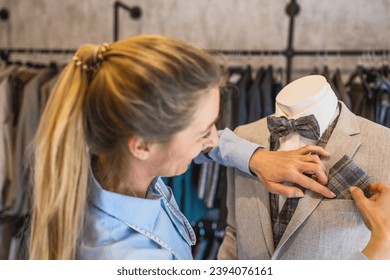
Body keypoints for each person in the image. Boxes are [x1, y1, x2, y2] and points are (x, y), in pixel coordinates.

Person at [27, 34, 387, 260]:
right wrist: (379, 251)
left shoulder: (111, 166)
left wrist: (254, 156)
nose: (215, 140)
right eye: (202, 133)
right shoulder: (128, 256)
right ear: (143, 145)